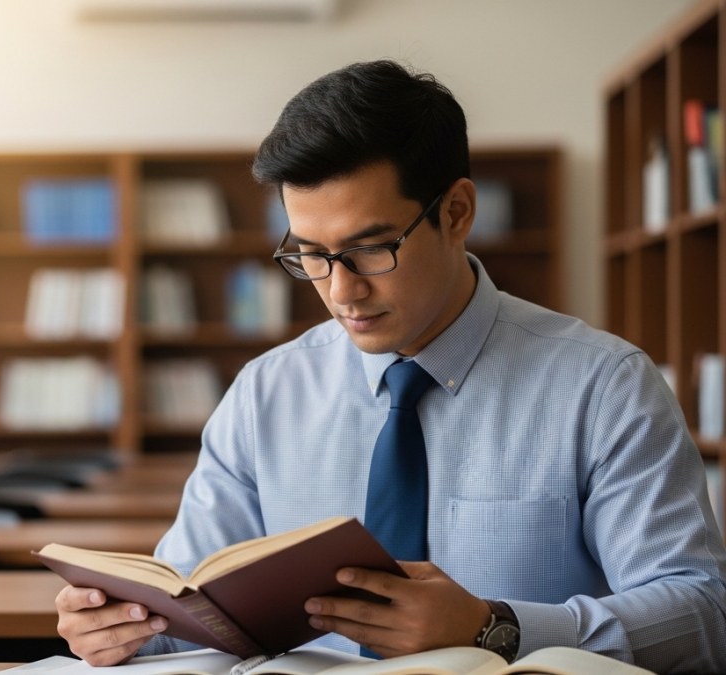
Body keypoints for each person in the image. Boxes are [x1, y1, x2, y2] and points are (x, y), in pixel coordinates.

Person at [53, 60, 726, 673]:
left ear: (457, 212)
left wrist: (496, 626)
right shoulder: (267, 392)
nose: (340, 291)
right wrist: (122, 625)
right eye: (310, 253)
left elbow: (703, 614)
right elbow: (193, 608)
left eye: (371, 249)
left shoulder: (602, 385)